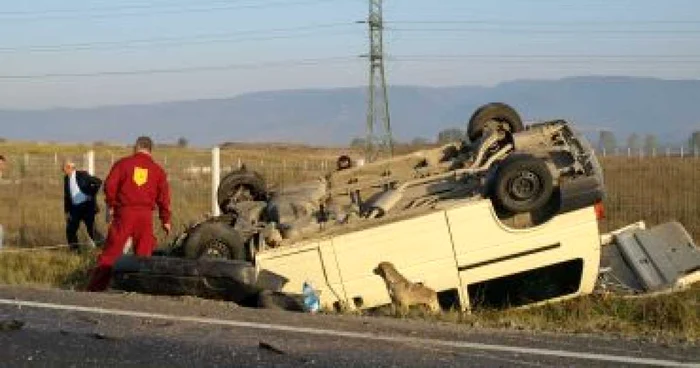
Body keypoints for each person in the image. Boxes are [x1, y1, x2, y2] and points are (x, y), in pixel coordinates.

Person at [87, 136, 171, 292]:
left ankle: (94, 289)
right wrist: (165, 220)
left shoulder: (123, 164)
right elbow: (164, 198)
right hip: (145, 216)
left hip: (124, 214)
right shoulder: (158, 171)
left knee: (111, 253)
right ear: (150, 150)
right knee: (143, 255)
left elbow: (110, 186)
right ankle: (140, 290)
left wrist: (112, 204)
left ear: (136, 147)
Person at [63, 159, 102, 251]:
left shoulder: (82, 175)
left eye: (64, 168)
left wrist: (91, 194)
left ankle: (103, 247)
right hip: (74, 209)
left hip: (87, 207)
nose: (63, 170)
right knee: (70, 230)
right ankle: (75, 251)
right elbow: (67, 196)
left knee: (91, 230)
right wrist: (67, 211)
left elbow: (98, 182)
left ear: (69, 168)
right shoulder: (66, 178)